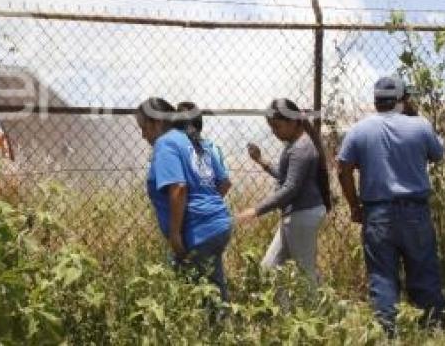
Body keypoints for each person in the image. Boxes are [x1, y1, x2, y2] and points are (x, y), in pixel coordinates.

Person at [337, 76, 445, 335]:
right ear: (403, 99)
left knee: (382, 277)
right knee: (425, 272)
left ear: (376, 100)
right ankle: (434, 331)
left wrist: (355, 206)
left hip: (377, 213)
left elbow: (343, 169)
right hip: (416, 212)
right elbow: (437, 155)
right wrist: (413, 114)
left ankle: (387, 335)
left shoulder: (359, 130)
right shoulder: (420, 126)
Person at [137, 97, 234, 301]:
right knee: (210, 288)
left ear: (158, 123)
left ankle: (217, 327)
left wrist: (174, 235)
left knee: (195, 295)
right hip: (216, 225)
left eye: (144, 127)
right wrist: (208, 209)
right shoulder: (192, 140)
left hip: (197, 233)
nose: (143, 135)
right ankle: (222, 325)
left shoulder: (165, 143)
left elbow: (179, 188)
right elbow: (220, 182)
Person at [236, 98, 332, 282]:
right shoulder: (294, 144)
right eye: (271, 127)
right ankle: (286, 309)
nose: (274, 132)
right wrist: (260, 160)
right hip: (296, 215)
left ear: (293, 122)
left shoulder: (301, 148)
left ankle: (316, 309)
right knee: (269, 269)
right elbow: (286, 176)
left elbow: (290, 188)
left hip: (302, 215)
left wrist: (256, 210)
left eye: (277, 126)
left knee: (305, 274)